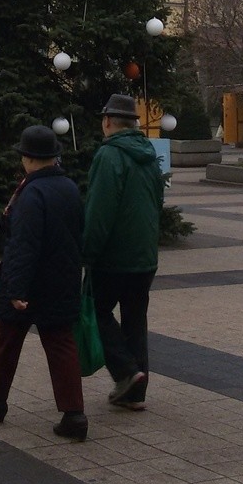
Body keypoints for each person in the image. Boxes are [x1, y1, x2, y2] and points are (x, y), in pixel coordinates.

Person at [0, 125, 87, 441]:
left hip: (30, 282)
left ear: (29, 158)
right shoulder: (68, 187)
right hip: (63, 279)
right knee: (61, 344)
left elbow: (23, 244)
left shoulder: (32, 194)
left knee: (7, 340)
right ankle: (74, 414)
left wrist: (17, 289)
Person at [83, 93, 164, 410]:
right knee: (135, 321)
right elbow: (157, 203)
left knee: (96, 311)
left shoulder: (109, 156)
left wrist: (87, 252)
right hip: (145, 257)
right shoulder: (147, 153)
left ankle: (127, 373)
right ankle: (135, 394)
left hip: (113, 257)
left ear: (107, 122)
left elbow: (99, 211)